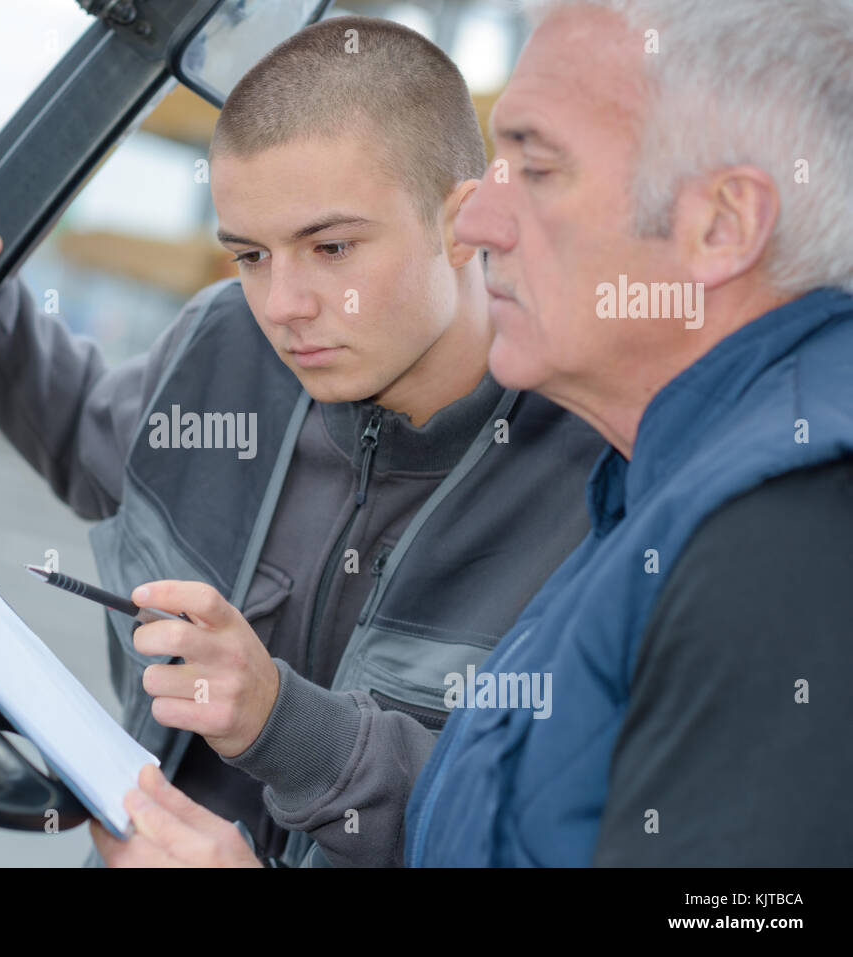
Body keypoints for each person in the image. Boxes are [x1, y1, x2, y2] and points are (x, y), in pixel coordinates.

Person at [95, 0, 853, 867]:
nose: (481, 223)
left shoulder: (796, 537)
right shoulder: (656, 492)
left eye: (535, 165)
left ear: (722, 225)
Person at [0, 16, 604, 867]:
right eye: (250, 254)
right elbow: (92, 443)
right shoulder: (227, 349)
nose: (284, 304)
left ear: (462, 223)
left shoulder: (593, 475)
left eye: (331, 247)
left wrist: (282, 724)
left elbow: (544, 830)